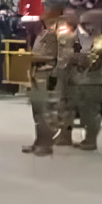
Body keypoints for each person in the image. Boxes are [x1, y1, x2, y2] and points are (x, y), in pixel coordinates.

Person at [67, 10, 102, 151]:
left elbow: (93, 60)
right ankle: (88, 139)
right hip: (82, 80)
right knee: (84, 112)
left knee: (91, 112)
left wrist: (77, 58)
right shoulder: (85, 38)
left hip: (93, 81)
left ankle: (91, 140)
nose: (84, 26)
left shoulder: (101, 40)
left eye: (87, 23)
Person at [23, 16, 58, 156]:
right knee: (36, 113)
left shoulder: (49, 36)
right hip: (35, 76)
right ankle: (38, 141)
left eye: (28, 25)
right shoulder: (35, 37)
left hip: (45, 75)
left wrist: (34, 58)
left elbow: (52, 56)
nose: (26, 28)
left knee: (44, 113)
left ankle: (46, 144)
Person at [53, 11, 79, 146]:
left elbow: (74, 55)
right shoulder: (64, 33)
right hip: (63, 72)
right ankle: (63, 133)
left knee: (67, 104)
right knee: (61, 104)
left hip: (70, 74)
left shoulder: (75, 36)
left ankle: (66, 135)